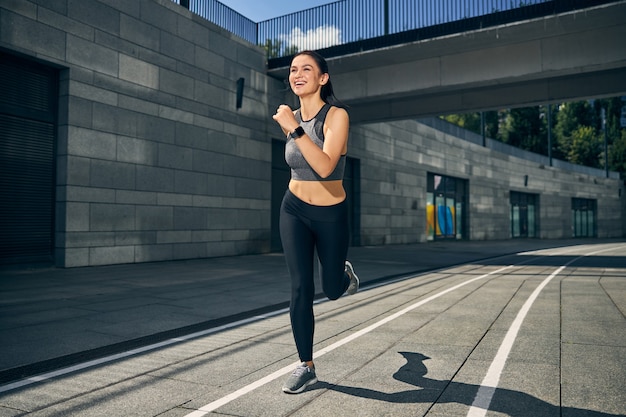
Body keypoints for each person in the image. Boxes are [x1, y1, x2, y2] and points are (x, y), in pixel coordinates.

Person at [272, 50, 360, 394]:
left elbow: (324, 167)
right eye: (293, 69)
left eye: (306, 69)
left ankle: (344, 277)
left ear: (323, 78)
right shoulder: (290, 117)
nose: (298, 74)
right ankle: (306, 365)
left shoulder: (337, 116)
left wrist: (294, 129)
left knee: (331, 290)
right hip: (293, 209)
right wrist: (292, 125)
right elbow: (300, 165)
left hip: (331, 213)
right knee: (300, 288)